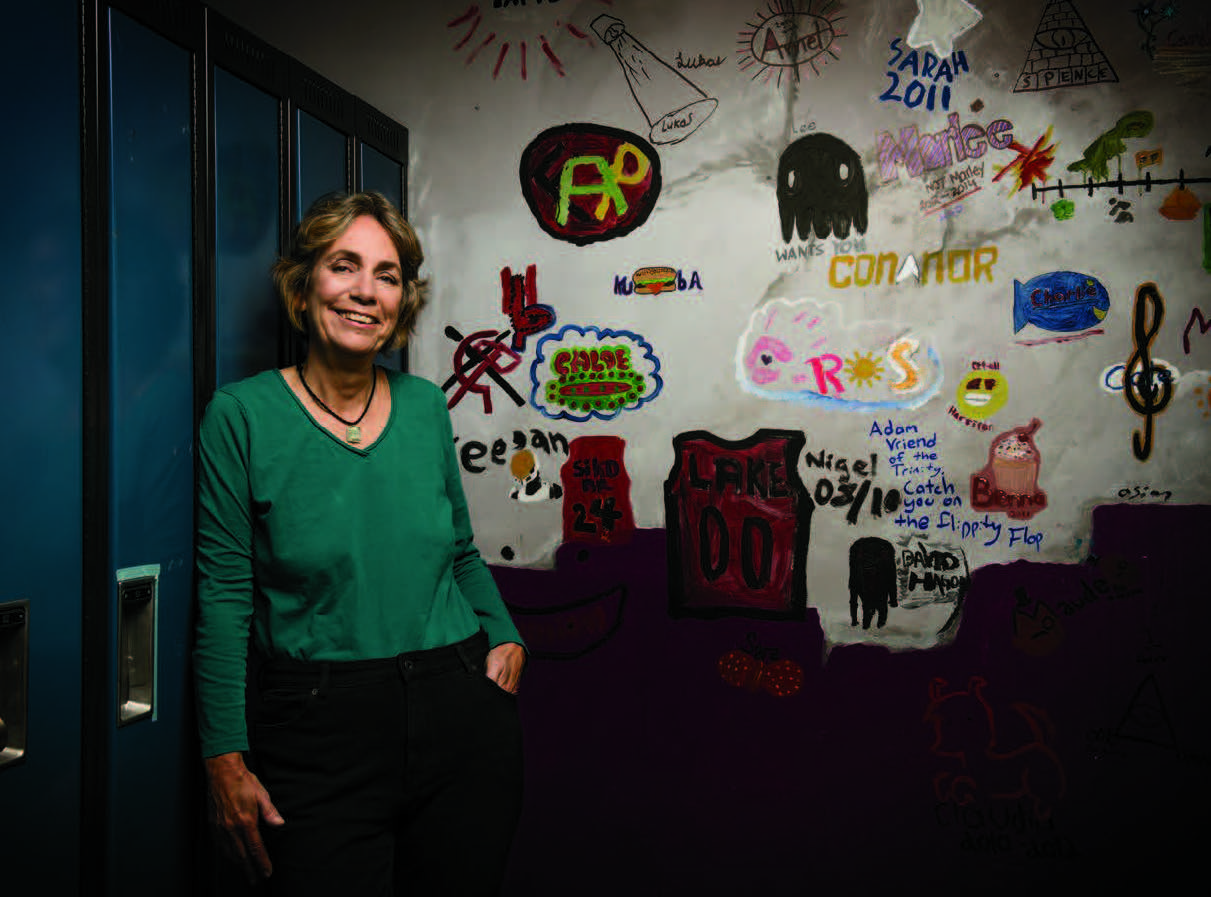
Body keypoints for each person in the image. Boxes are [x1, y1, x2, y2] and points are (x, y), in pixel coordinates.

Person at [194, 191, 526, 896]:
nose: (365, 291)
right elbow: (224, 597)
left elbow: (460, 550)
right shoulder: (241, 416)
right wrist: (222, 757)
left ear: (403, 297)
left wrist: (505, 633)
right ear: (304, 280)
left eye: (387, 274)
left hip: (460, 710)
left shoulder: (424, 405)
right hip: (317, 730)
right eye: (345, 266)